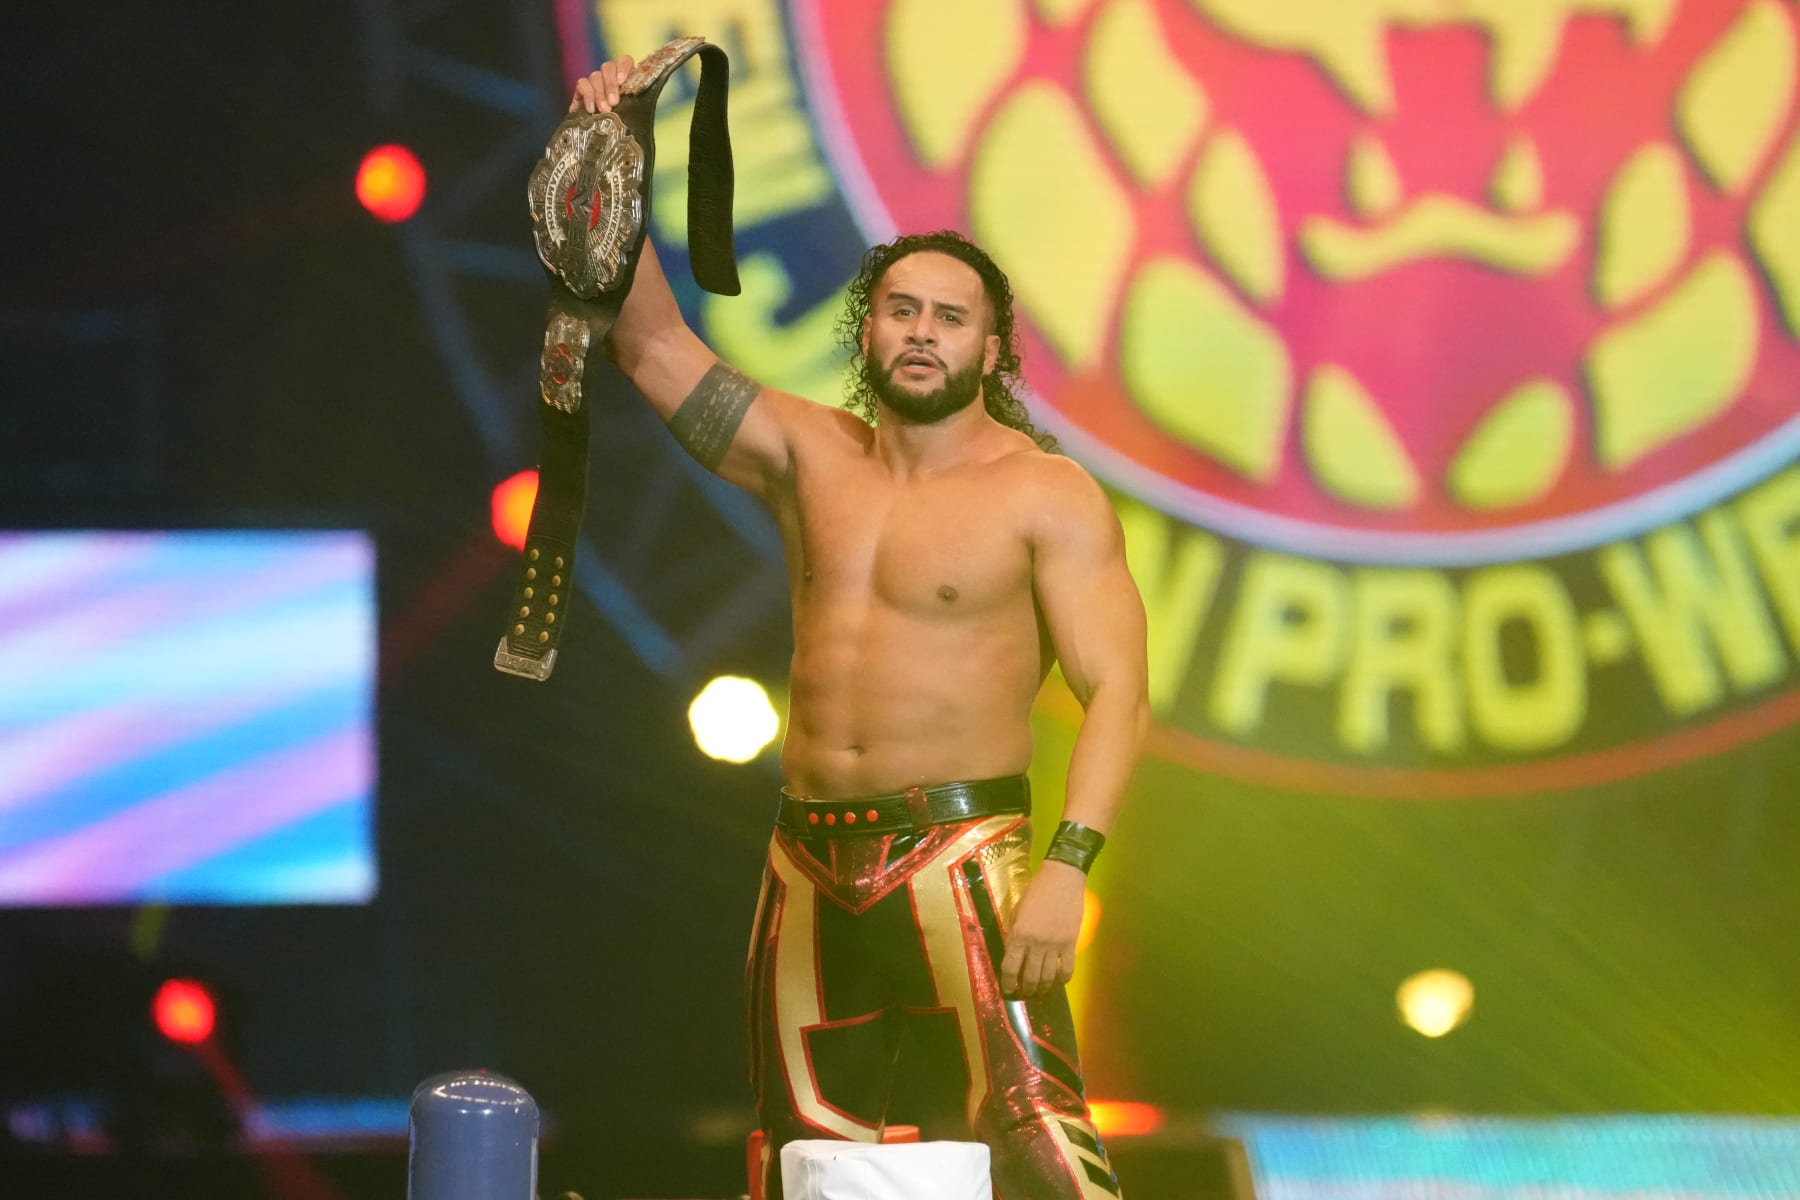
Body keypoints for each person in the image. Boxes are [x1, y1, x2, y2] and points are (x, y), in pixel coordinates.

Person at [573, 56, 1149, 1200]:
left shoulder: (1045, 494)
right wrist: (614, 154)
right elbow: (646, 344)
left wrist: (1069, 870)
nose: (923, 333)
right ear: (867, 328)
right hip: (805, 855)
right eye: (901, 311)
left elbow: (1120, 694)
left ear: (992, 348)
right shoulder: (805, 455)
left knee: (1033, 1131)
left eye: (950, 317)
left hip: (967, 856)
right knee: (806, 1147)